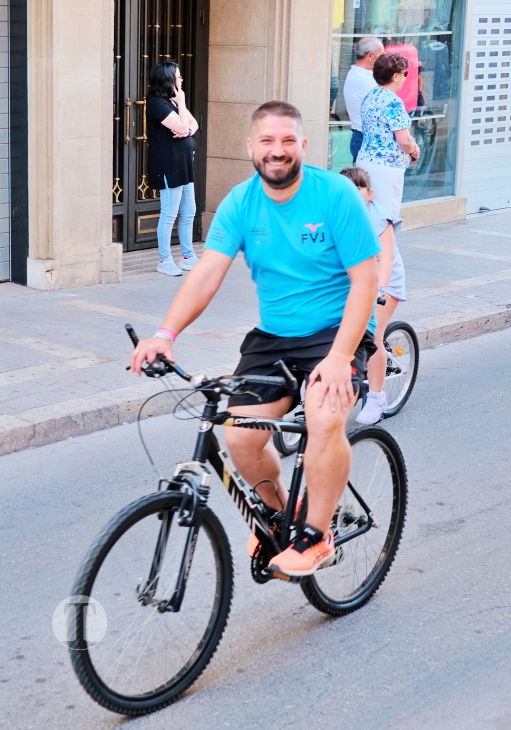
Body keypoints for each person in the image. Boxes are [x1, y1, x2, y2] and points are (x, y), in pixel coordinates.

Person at [130, 101, 380, 577]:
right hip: (274, 337)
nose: (278, 150)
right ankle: (280, 514)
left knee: (326, 416)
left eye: (288, 141)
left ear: (303, 146)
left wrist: (341, 355)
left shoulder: (335, 196)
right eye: (267, 141)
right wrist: (165, 334)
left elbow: (365, 281)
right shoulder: (242, 203)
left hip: (336, 330)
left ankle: (315, 535)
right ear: (251, 147)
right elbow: (207, 273)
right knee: (239, 436)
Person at [340, 166, 407, 424]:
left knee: (373, 333)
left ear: (370, 193)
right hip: (356, 282)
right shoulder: (338, 217)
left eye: (357, 189)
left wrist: (379, 288)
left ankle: (377, 398)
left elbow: (386, 257)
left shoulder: (378, 217)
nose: (352, 196)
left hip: (385, 284)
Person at [145, 61, 200, 276]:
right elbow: (183, 126)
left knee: (189, 211)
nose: (181, 80)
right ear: (168, 79)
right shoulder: (157, 103)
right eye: (178, 76)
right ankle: (164, 259)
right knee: (170, 214)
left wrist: (185, 128)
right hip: (168, 166)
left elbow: (193, 125)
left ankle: (187, 256)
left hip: (183, 165)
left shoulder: (172, 102)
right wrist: (183, 106)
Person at [356, 53, 420, 222]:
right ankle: (385, 249)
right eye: (404, 73)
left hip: (365, 161)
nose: (406, 78)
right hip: (386, 167)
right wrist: (414, 149)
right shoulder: (393, 102)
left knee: (368, 217)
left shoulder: (369, 97)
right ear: (395, 76)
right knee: (386, 218)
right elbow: (404, 141)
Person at [343, 37, 383, 163]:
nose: (384, 60)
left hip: (365, 137)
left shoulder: (364, 75)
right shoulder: (362, 79)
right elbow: (387, 102)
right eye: (381, 56)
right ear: (371, 56)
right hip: (365, 138)